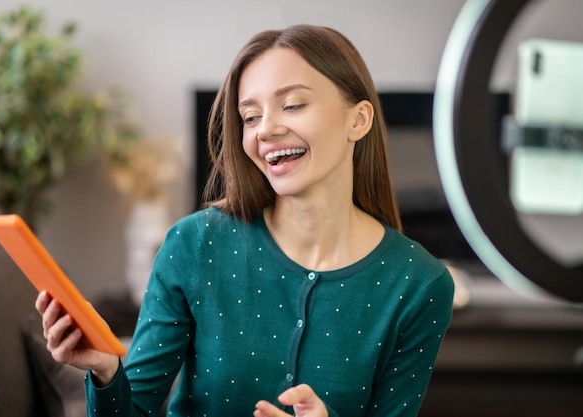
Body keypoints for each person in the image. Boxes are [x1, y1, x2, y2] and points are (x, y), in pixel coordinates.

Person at [36, 24, 455, 417]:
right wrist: (106, 371)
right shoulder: (194, 245)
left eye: (292, 104)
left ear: (358, 120)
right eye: (250, 117)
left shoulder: (420, 285)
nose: (266, 129)